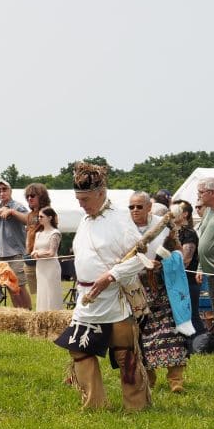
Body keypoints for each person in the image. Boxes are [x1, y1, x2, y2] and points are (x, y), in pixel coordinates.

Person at [54, 163, 150, 411]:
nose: (80, 204)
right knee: (78, 350)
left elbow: (139, 259)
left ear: (101, 193)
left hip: (114, 298)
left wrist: (110, 275)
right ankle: (94, 403)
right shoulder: (85, 219)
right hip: (87, 299)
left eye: (84, 198)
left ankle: (136, 406)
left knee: (125, 354)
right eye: (78, 198)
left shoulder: (120, 219)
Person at [129, 192, 190, 393]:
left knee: (171, 332)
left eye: (139, 206)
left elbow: (180, 253)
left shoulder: (164, 226)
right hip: (137, 289)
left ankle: (176, 380)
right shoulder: (125, 229)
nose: (135, 210)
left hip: (164, 288)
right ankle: (149, 378)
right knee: (142, 336)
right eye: (131, 207)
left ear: (149, 207)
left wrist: (163, 263)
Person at [0, 179, 31, 309]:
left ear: (10, 191)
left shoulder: (17, 206)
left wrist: (12, 212)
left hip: (15, 254)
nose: (1, 192)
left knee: (20, 286)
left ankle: (28, 314)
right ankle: (18, 314)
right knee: (10, 287)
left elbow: (29, 220)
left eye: (4, 189)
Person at [173, 199, 205, 335]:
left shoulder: (189, 233)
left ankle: (201, 344)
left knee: (192, 315)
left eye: (173, 211)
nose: (170, 214)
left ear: (184, 214)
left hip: (189, 281)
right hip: (178, 281)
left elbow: (185, 260)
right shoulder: (175, 232)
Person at [30, 206, 63, 311]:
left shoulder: (55, 233)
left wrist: (38, 254)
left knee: (51, 292)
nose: (39, 219)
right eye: (38, 217)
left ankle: (54, 316)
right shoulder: (38, 234)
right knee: (42, 290)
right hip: (40, 267)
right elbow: (33, 250)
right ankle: (42, 315)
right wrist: (34, 254)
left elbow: (52, 253)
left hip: (51, 267)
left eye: (41, 216)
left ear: (49, 218)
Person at [23, 183, 51, 298]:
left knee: (46, 292)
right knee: (36, 294)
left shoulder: (48, 213)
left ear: (41, 196)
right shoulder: (29, 215)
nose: (29, 198)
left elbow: (52, 234)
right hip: (30, 256)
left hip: (43, 257)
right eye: (28, 196)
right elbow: (29, 234)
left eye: (33, 195)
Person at [197, 178, 214, 292]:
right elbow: (203, 239)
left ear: (212, 193)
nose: (198, 196)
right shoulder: (208, 210)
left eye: (201, 192)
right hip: (210, 273)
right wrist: (200, 267)